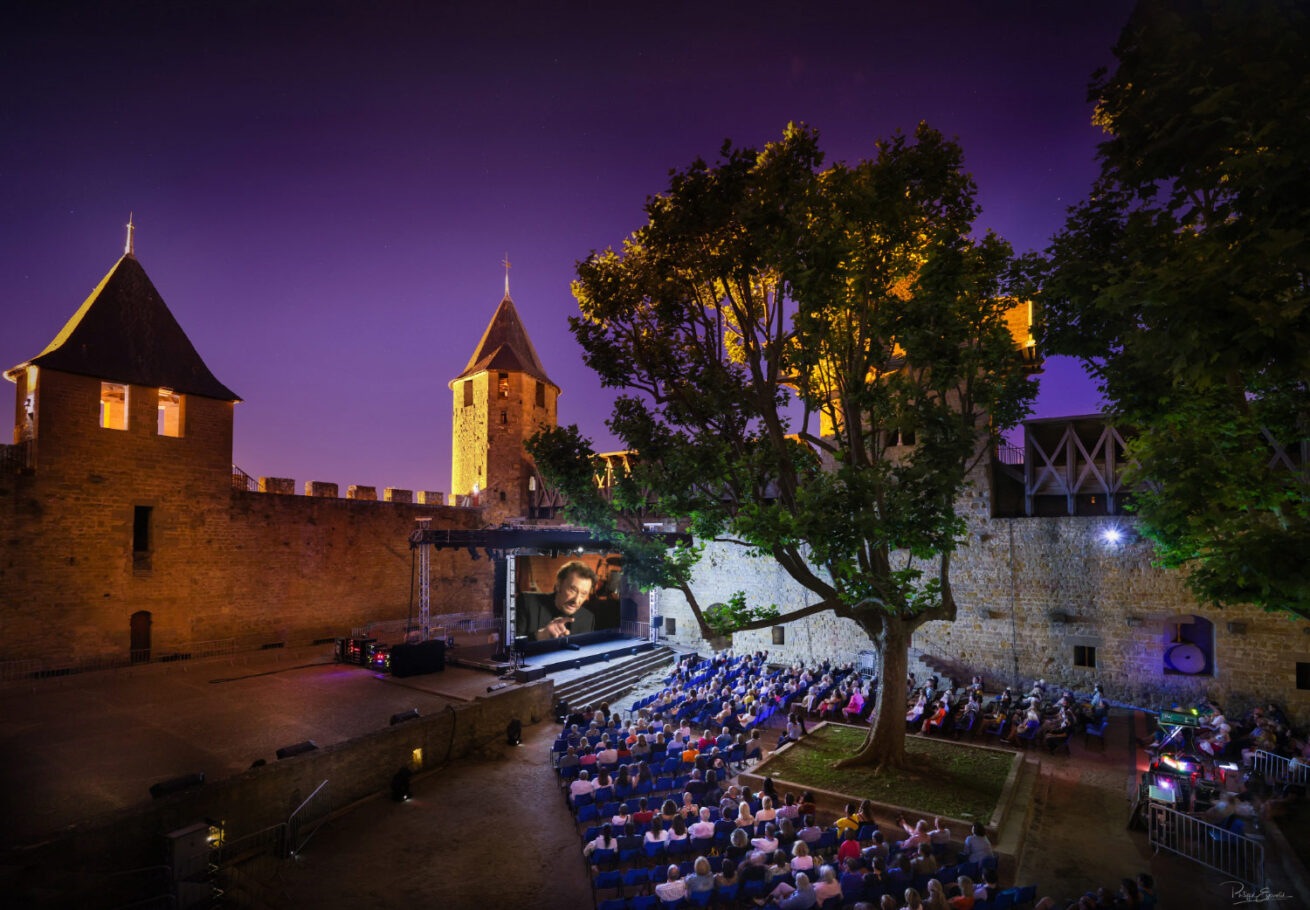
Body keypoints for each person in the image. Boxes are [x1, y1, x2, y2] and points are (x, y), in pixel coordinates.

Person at [515, 561, 599, 640]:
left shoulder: (588, 618)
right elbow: (510, 647)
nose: (576, 601)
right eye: (573, 590)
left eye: (583, 594)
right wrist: (540, 635)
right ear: (558, 585)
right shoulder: (526, 602)